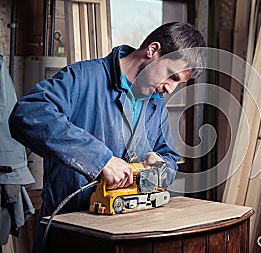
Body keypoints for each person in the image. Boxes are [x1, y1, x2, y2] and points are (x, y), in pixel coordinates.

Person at [8, 22, 206, 252]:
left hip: (127, 234)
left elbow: (169, 158)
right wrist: (100, 160)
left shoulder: (155, 103)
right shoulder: (83, 78)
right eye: (172, 77)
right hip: (70, 234)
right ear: (153, 50)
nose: (171, 90)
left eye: (178, 84)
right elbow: (27, 114)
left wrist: (160, 168)